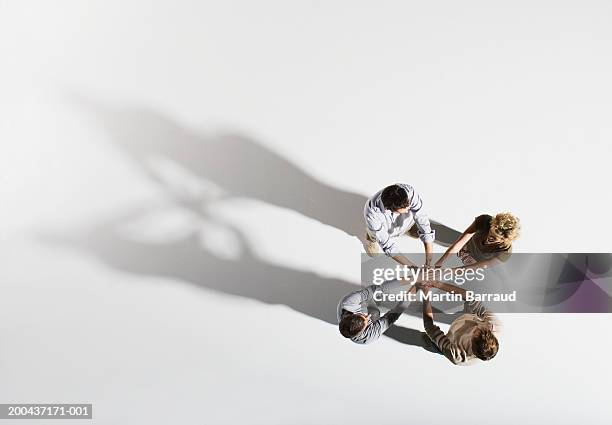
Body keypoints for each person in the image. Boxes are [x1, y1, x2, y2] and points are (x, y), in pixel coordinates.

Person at [419, 280, 500, 365]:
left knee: (429, 342)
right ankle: (462, 316)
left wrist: (425, 294)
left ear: (471, 342)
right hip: (469, 317)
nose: (476, 328)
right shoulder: (493, 324)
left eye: (475, 332)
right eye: (481, 329)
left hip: (452, 340)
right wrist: (437, 284)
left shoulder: (458, 356)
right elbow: (471, 298)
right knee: (471, 302)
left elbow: (429, 326)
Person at [363, 184, 435, 267]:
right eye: (406, 208)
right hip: (381, 229)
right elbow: (388, 246)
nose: (409, 208)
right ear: (388, 209)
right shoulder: (372, 215)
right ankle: (371, 238)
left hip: (406, 222)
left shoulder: (410, 194)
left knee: (417, 229)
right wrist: (414, 268)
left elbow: (422, 219)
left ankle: (408, 228)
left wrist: (429, 259)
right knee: (374, 235)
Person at [338, 280, 416, 344]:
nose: (368, 316)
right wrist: (416, 287)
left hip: (358, 303)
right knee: (375, 313)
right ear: (362, 331)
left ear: (354, 314)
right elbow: (395, 313)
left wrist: (415, 278)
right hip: (364, 314)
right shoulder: (370, 336)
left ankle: (368, 301)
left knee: (376, 293)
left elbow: (375, 289)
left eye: (363, 315)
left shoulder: (348, 302)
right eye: (367, 321)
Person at [435, 213, 520, 269]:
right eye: (490, 232)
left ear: (504, 239)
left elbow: (477, 267)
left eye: (494, 238)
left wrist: (446, 272)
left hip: (477, 261)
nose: (489, 238)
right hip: (467, 246)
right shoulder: (484, 221)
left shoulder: (505, 251)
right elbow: (458, 244)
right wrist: (439, 264)